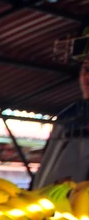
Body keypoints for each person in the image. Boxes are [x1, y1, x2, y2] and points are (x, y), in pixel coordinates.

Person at [33, 56, 89, 188]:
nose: (87, 76)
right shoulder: (67, 116)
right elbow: (48, 163)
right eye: (86, 69)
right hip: (64, 197)